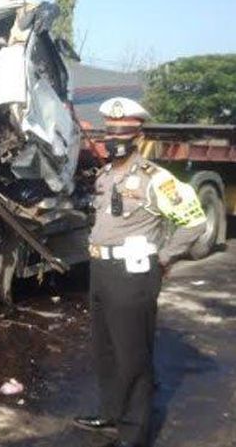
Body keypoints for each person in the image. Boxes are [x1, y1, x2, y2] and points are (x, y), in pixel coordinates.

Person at [73, 97, 207, 447]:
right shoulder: (105, 175)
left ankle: (134, 432)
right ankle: (112, 411)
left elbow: (193, 222)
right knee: (105, 349)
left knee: (132, 353)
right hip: (101, 269)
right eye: (110, 130)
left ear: (138, 134)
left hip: (133, 274)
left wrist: (163, 259)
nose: (114, 136)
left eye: (123, 131)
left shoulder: (155, 179)